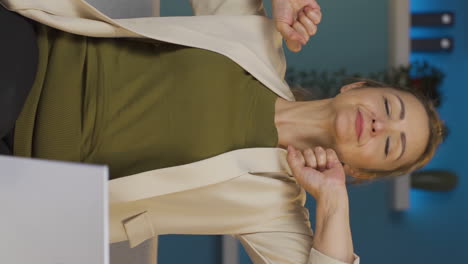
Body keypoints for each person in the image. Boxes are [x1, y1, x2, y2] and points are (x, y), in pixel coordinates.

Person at [0, 1, 445, 264]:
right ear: (358, 87)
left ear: (361, 172)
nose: (380, 124)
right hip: (33, 55)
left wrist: (331, 203)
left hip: (24, 179)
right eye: (390, 107)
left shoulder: (271, 209)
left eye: (390, 144)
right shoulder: (254, 37)